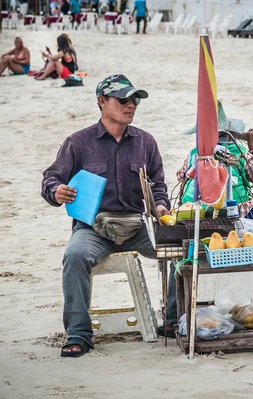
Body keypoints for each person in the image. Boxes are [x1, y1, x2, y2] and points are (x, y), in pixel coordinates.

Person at [41, 74, 170, 357]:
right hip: (93, 228)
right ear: (101, 101)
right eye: (123, 99)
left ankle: (173, 321)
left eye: (135, 99)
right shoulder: (78, 142)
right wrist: (57, 191)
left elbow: (159, 184)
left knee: (177, 250)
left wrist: (161, 206)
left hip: (137, 226)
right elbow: (50, 178)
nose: (131, 105)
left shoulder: (146, 142)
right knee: (74, 257)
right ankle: (78, 333)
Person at [157, 105, 253, 338]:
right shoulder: (238, 153)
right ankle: (176, 317)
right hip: (228, 223)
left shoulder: (197, 153)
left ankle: (171, 318)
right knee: (182, 261)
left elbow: (181, 176)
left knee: (178, 262)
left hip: (204, 222)